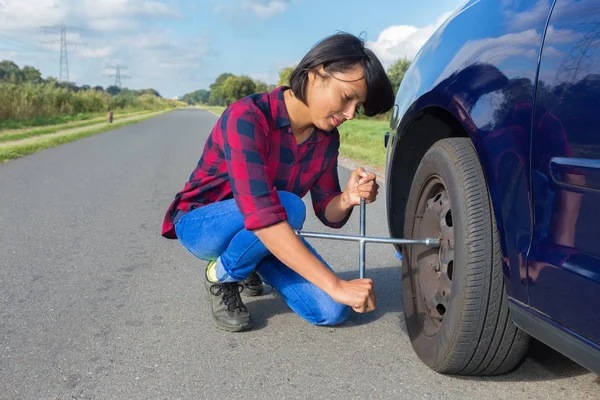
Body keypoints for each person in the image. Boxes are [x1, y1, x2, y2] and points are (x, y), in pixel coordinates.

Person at [161, 32, 395, 332]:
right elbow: (263, 215)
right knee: (289, 206)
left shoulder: (326, 139)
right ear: (315, 74)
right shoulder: (247, 116)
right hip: (203, 224)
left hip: (265, 229)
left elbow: (328, 213)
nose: (350, 114)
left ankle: (248, 261)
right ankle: (222, 275)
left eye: (357, 106)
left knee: (333, 309)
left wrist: (348, 197)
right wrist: (336, 283)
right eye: (347, 98)